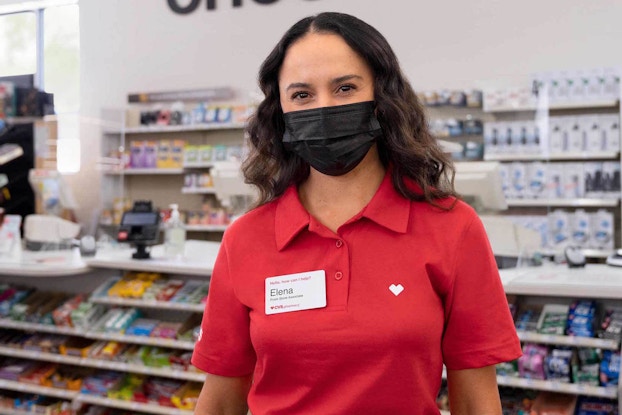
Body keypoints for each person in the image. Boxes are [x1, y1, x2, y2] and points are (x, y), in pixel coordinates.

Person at [192, 11, 522, 415]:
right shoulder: (245, 238)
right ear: (280, 112)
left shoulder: (452, 227)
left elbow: (475, 402)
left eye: (345, 88)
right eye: (302, 95)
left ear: (382, 99)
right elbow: (221, 403)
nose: (324, 108)